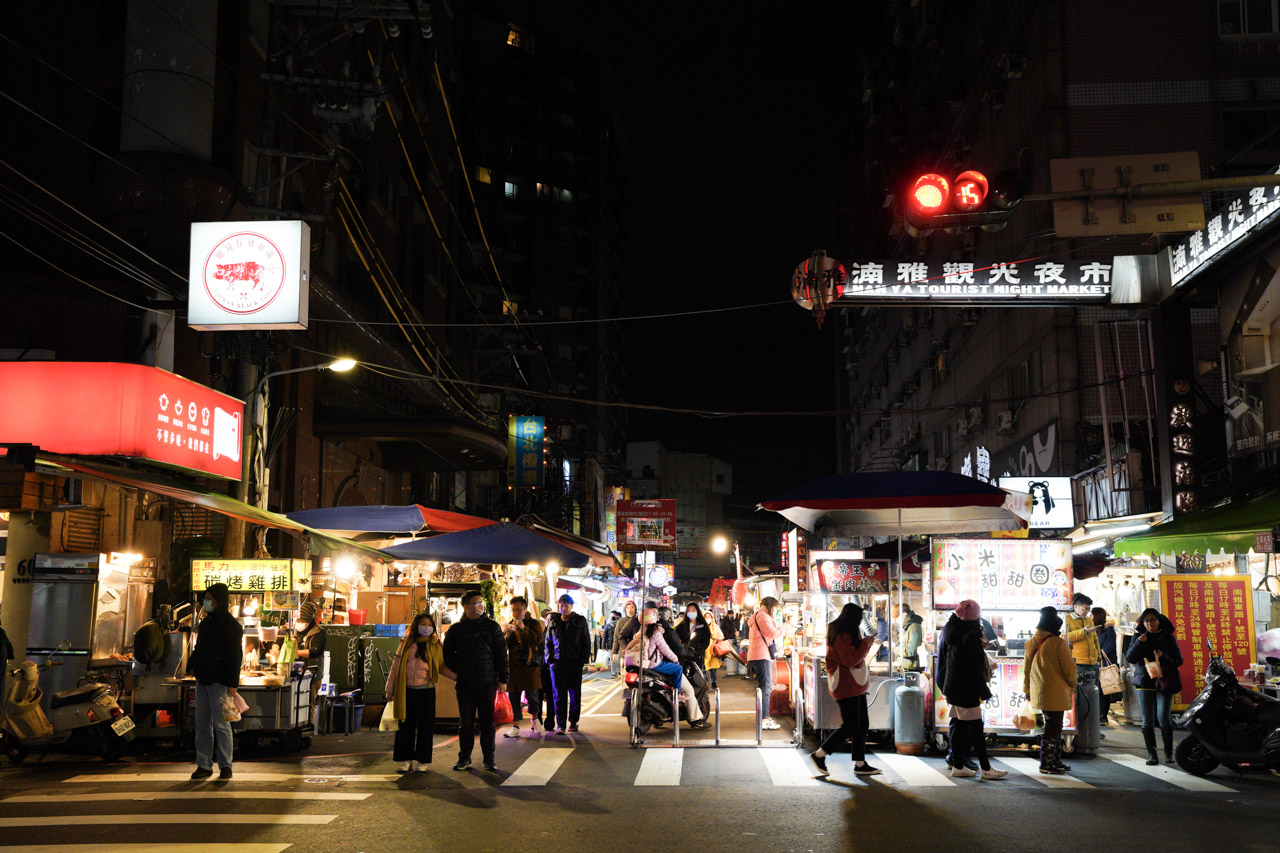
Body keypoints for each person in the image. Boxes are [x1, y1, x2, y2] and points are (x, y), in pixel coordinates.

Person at [809, 603, 881, 777]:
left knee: (861, 725)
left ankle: (860, 763)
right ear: (852, 618)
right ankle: (819, 755)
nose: (861, 621)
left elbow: (855, 657)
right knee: (850, 725)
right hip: (846, 685)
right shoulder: (842, 634)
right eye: (859, 618)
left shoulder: (847, 631)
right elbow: (851, 659)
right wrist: (866, 643)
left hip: (855, 685)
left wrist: (865, 643)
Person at [441, 590, 508, 772]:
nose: (479, 606)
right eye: (475, 602)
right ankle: (464, 758)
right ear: (466, 606)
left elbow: (502, 655)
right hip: (465, 684)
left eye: (481, 602)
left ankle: (489, 759)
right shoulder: (455, 630)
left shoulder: (492, 627)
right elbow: (447, 655)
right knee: (466, 723)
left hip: (487, 682)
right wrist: (460, 671)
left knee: (488, 722)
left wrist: (503, 679)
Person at [941, 601, 1006, 780]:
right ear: (975, 616)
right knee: (976, 729)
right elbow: (973, 668)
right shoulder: (970, 635)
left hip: (954, 686)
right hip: (966, 688)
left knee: (959, 726)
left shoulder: (955, 629)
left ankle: (958, 766)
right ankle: (985, 769)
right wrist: (984, 691)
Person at [187, 583, 243, 781]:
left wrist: (232, 685)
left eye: (209, 598)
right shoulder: (206, 623)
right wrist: (191, 665)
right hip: (203, 679)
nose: (206, 602)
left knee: (221, 724)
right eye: (206, 598)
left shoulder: (231, 626)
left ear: (219, 600)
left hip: (220, 682)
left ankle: (226, 765)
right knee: (202, 724)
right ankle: (204, 764)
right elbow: (199, 649)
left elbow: (235, 656)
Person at [384, 612, 449, 772]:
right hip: (406, 691)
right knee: (405, 726)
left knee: (425, 727)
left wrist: (459, 677)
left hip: (427, 691)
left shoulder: (435, 644)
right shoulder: (406, 643)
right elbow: (396, 666)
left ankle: (423, 760)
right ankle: (406, 760)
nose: (426, 628)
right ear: (416, 626)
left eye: (429, 625)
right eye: (423, 624)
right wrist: (389, 688)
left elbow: (442, 666)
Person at [627, 608, 705, 725]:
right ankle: (677, 694)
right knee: (677, 669)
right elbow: (666, 650)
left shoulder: (639, 632)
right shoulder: (656, 633)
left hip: (640, 664)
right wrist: (676, 659)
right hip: (654, 664)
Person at [1126, 607, 1183, 765]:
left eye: (1153, 620)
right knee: (1147, 721)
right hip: (1145, 681)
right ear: (1143, 623)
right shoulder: (1139, 636)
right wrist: (1139, 643)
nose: (1150, 624)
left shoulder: (1168, 637)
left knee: (1164, 717)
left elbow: (1179, 660)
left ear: (1159, 620)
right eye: (1146, 621)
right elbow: (1130, 657)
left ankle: (1168, 753)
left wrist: (1164, 657)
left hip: (1164, 682)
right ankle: (1152, 755)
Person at [1024, 606, 1076, 775]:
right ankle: (1047, 763)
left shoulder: (1031, 642)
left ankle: (1055, 761)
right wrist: (1072, 684)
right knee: (1053, 729)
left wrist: (1027, 690)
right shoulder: (1058, 643)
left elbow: (1026, 669)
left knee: (1052, 727)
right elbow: (1069, 669)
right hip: (1055, 692)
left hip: (1039, 691)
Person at [544, 594, 591, 733]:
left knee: (575, 694)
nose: (563, 608)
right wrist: (550, 660)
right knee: (559, 695)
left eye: (566, 605)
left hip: (574, 663)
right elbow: (548, 643)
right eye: (561, 605)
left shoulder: (580, 621)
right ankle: (560, 725)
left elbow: (586, 642)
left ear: (571, 606)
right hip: (557, 664)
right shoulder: (554, 622)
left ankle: (573, 721)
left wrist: (582, 660)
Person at [503, 596, 544, 738]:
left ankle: (535, 719)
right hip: (514, 667)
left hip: (529, 666)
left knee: (532, 696)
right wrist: (507, 636)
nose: (516, 613)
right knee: (514, 697)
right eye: (513, 610)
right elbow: (506, 646)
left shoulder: (533, 623)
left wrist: (523, 628)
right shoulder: (510, 624)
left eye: (519, 610)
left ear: (525, 609)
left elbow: (537, 639)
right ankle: (515, 727)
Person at [747, 597, 783, 730]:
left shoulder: (758, 615)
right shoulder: (763, 616)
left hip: (758, 654)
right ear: (769, 605)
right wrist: (785, 626)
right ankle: (764, 718)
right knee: (766, 687)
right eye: (775, 607)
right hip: (761, 655)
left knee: (764, 686)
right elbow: (773, 633)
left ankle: (763, 717)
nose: (775, 610)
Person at [1092, 606, 1119, 724]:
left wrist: (1097, 655)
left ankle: (1103, 716)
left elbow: (1110, 647)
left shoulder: (1108, 630)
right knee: (1097, 690)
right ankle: (1098, 715)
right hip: (1095, 664)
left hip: (1104, 665)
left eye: (1092, 615)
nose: (1090, 617)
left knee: (1104, 690)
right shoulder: (1093, 630)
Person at [293, 600, 327, 669]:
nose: (299, 623)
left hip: (312, 672)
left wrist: (294, 653)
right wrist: (276, 646)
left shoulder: (319, 632)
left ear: (309, 620)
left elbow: (316, 651)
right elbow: (280, 638)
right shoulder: (293, 630)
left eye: (302, 621)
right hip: (294, 669)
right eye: (298, 621)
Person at [611, 601, 638, 677]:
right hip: (623, 651)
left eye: (632, 607)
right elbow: (616, 637)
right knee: (624, 672)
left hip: (636, 651)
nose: (630, 609)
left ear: (635, 609)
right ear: (625, 609)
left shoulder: (639, 620)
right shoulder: (620, 622)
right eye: (628, 608)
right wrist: (614, 652)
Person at [896, 605, 924, 671]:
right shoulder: (907, 627)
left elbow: (910, 652)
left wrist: (894, 648)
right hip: (906, 666)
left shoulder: (914, 627)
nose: (897, 621)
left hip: (912, 667)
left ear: (904, 614)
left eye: (897, 618)